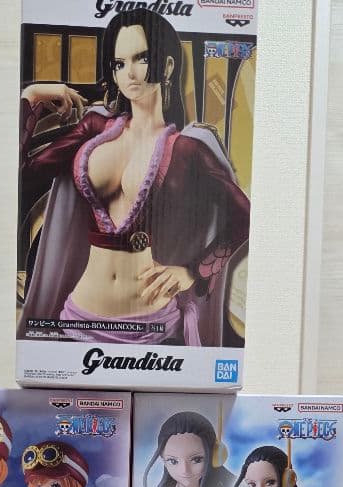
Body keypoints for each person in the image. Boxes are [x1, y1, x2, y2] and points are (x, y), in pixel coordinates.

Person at [18, 9, 250, 347]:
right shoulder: (94, 129)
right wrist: (32, 96)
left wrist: (193, 270)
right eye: (118, 63)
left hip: (151, 324)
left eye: (141, 58)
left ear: (167, 66)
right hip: (78, 314)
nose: (129, 73)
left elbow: (245, 215)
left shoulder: (188, 148)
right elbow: (23, 175)